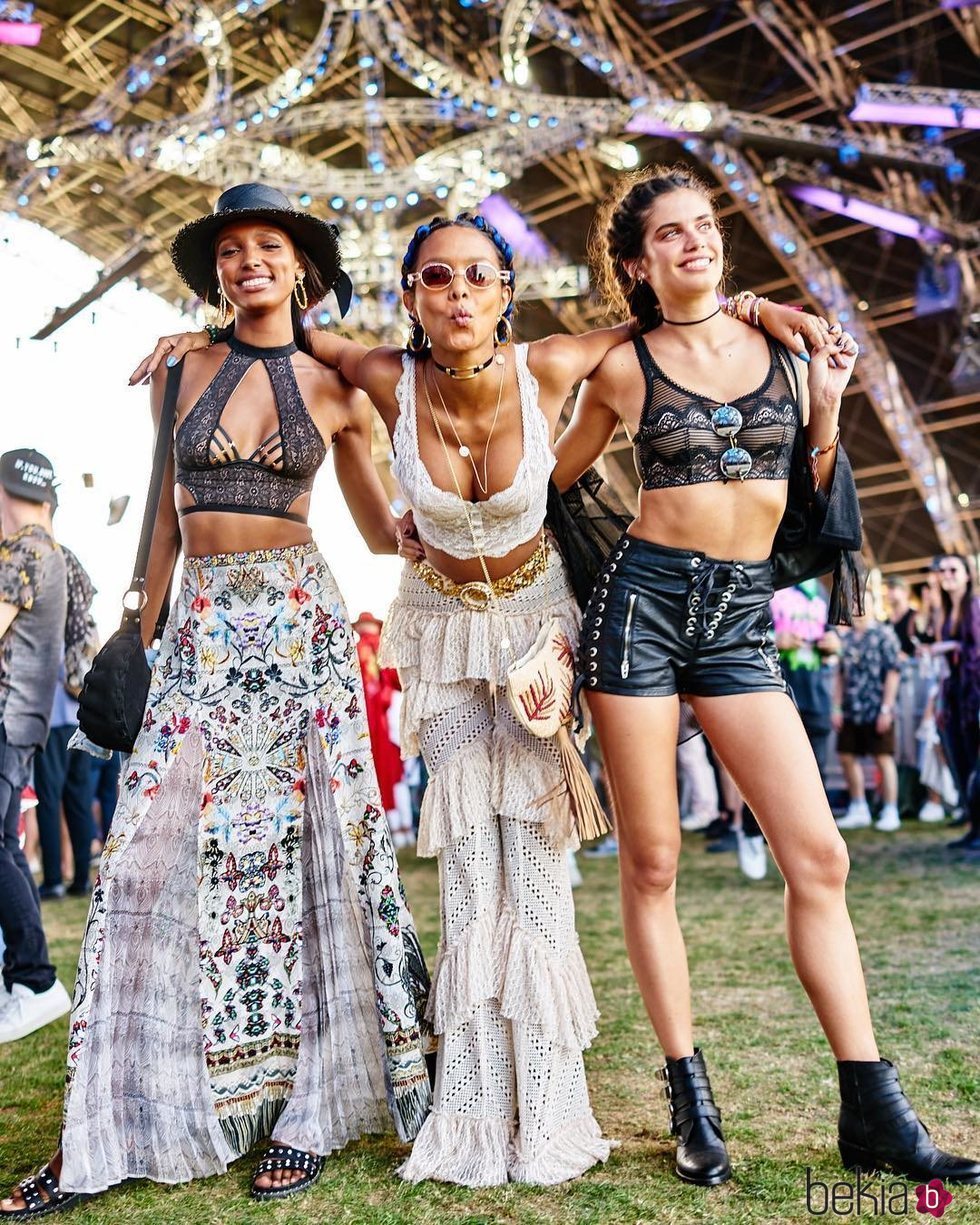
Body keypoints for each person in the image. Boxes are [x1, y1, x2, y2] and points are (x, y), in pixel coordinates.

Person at [132, 203, 819, 1187]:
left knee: (534, 865)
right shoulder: (379, 375)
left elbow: (667, 314)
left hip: (537, 629)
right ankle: (466, 1103)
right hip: (440, 632)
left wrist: (755, 302)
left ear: (504, 293)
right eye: (436, 277)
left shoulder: (550, 365)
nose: (457, 293)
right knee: (468, 868)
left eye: (476, 276)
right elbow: (272, 326)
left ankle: (545, 1099)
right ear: (410, 294)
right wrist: (194, 336)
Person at [1, 184, 432, 1219]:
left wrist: (461, 527)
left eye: (266, 247)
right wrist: (140, 629)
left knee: (323, 852)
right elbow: (160, 514)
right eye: (230, 250)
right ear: (216, 272)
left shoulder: (334, 384)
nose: (246, 262)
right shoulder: (181, 367)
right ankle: (105, 1121)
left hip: (301, 628)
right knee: (140, 853)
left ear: (298, 268)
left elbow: (379, 533)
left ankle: (307, 1108)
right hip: (198, 626)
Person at [549, 165, 980, 1187]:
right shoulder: (620, 366)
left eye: (704, 227)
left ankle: (870, 1104)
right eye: (669, 234)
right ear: (636, 263)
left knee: (817, 857)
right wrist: (560, 595)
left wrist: (824, 408)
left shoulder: (785, 350)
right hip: (640, 615)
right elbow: (554, 483)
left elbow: (809, 510)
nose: (693, 241)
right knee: (651, 864)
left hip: (739, 622)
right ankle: (688, 1094)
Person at [0, 449, 72, 1046]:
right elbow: (79, 658)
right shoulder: (60, 555)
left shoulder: (23, 548)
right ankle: (27, 977)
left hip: (4, 716)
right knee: (5, 845)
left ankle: (33, 979)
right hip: (29, 719)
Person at [33, 548, 98, 900]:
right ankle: (82, 880)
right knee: (79, 797)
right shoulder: (83, 620)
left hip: (54, 716)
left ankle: (55, 878)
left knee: (49, 797)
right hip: (81, 716)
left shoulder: (50, 617)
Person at [832, 610, 902, 832]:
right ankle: (859, 806)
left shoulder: (884, 634)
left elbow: (893, 672)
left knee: (883, 757)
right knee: (846, 756)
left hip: (877, 707)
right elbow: (840, 674)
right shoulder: (846, 638)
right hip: (851, 708)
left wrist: (886, 708)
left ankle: (891, 809)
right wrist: (836, 707)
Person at [931, 554, 980, 852]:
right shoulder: (949, 611)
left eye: (953, 569)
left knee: (975, 766)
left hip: (972, 698)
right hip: (954, 700)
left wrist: (952, 646)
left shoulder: (973, 606)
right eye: (943, 570)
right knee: (962, 764)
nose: (946, 574)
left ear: (967, 575)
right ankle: (974, 826)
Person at [352, 611, 411, 847]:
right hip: (392, 723)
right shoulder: (387, 650)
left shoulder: (357, 653)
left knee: (379, 777)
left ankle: (395, 832)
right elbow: (401, 681)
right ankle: (404, 831)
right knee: (398, 776)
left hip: (371, 725)